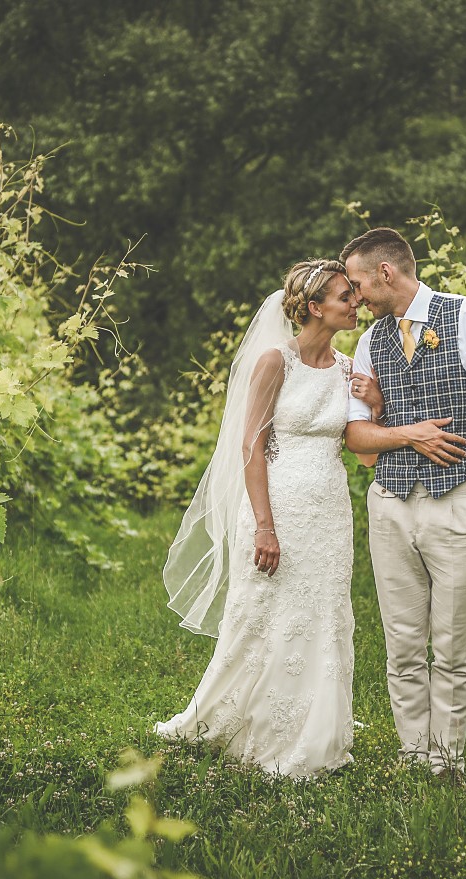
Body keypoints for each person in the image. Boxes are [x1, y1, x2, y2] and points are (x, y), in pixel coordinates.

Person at [157, 259, 382, 780]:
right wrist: (264, 524)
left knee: (324, 615)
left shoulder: (350, 371)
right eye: (345, 296)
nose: (356, 304)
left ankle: (315, 732)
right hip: (275, 504)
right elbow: (251, 446)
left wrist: (378, 406)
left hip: (328, 510)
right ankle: (239, 720)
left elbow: (366, 456)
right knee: (261, 612)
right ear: (313, 307)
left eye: (354, 294)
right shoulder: (274, 362)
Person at [341, 227, 466, 785]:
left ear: (386, 273)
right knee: (401, 645)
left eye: (357, 284)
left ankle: (448, 764)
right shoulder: (371, 341)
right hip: (391, 506)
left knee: (451, 647)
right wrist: (407, 434)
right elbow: (356, 433)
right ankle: (413, 758)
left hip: (459, 505)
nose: (355, 298)